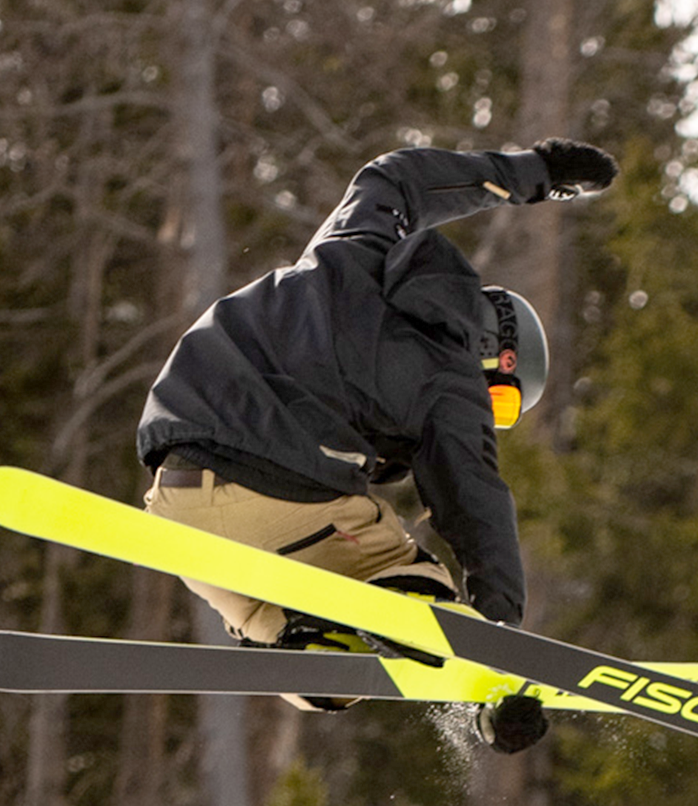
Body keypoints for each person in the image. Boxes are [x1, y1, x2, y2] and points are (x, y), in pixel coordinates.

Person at [137, 138, 618, 752]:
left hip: (177, 489)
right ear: (495, 355)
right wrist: (498, 645)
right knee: (411, 576)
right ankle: (362, 630)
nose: (488, 415)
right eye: (500, 403)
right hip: (282, 485)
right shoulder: (451, 377)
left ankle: (312, 643)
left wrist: (536, 171)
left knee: (279, 618)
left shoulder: (354, 246)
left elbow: (398, 176)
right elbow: (476, 506)